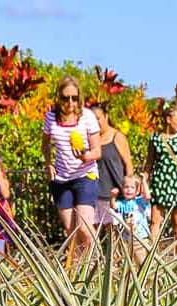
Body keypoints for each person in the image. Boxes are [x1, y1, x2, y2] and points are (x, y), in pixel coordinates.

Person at [42, 76, 101, 257]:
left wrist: (86, 156)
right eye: (65, 98)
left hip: (85, 175)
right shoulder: (50, 117)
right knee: (71, 231)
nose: (70, 102)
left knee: (84, 227)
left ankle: (98, 265)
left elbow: (97, 151)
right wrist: (48, 163)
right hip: (61, 179)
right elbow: (45, 143)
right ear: (58, 97)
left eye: (74, 98)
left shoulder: (87, 117)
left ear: (79, 98)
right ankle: (78, 269)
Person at [148, 100, 177, 253]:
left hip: (176, 181)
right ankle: (152, 254)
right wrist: (144, 179)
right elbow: (150, 161)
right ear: (168, 119)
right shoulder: (155, 138)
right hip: (160, 181)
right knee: (155, 219)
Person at [89, 101, 134, 235]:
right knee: (93, 231)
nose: (95, 123)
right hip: (95, 193)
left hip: (115, 194)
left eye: (98, 118)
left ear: (106, 117)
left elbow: (128, 165)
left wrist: (129, 189)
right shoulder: (91, 140)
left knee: (114, 235)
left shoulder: (117, 137)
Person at [115, 172, 153, 244]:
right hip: (126, 238)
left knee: (140, 255)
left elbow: (147, 196)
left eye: (132, 187)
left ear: (137, 191)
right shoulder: (121, 203)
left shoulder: (139, 201)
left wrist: (143, 181)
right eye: (126, 187)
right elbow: (114, 206)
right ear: (122, 189)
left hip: (141, 237)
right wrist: (112, 197)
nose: (129, 189)